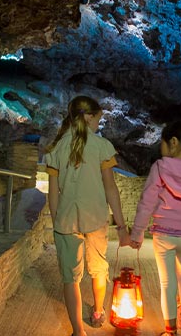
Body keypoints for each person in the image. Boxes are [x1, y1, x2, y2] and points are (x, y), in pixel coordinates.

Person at [44, 95, 131, 336]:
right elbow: (110, 188)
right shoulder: (101, 147)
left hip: (66, 221)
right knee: (99, 268)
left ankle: (78, 331)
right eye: (98, 120)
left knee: (70, 278)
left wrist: (56, 221)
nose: (97, 125)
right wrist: (122, 227)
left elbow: (53, 194)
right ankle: (97, 311)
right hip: (95, 219)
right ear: (88, 116)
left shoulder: (56, 148)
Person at [129, 121, 181, 336]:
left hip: (164, 233)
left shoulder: (160, 167)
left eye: (162, 143)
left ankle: (170, 331)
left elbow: (146, 202)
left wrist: (137, 232)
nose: (161, 148)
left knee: (167, 282)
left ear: (173, 142)